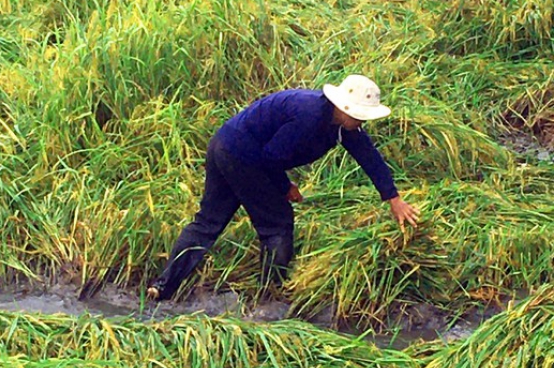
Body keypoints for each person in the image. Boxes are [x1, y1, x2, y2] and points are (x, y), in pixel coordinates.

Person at [147, 74, 419, 301]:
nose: (364, 122)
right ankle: (269, 298)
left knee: (207, 222)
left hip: (224, 144)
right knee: (277, 222)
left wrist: (393, 198)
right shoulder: (309, 117)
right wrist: (284, 186)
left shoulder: (338, 123)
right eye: (361, 116)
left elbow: (368, 156)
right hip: (241, 156)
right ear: (345, 108)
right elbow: (271, 158)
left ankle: (162, 287)